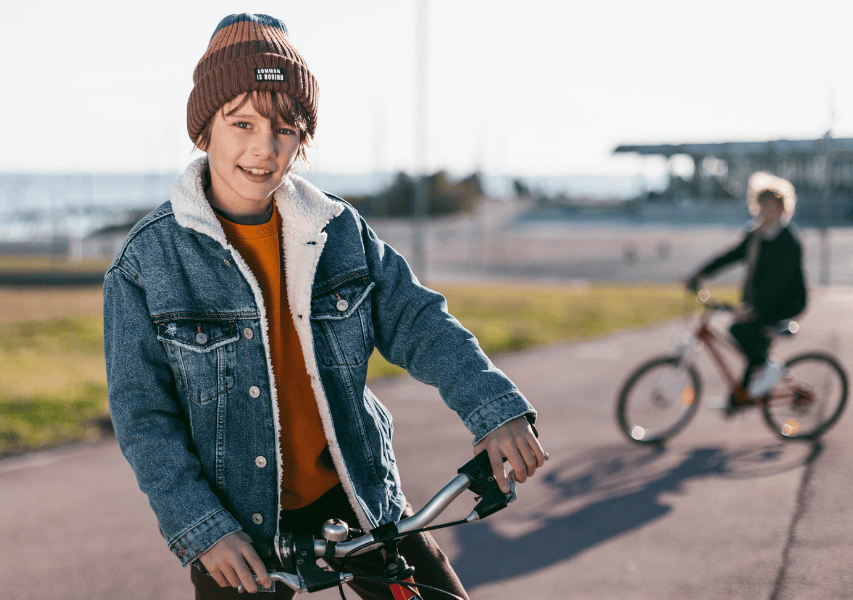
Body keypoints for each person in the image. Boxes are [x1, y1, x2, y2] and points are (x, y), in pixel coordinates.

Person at [103, 13, 545, 600]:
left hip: (357, 499)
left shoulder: (338, 231)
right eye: (242, 123)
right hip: (237, 528)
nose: (265, 149)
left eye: (286, 128)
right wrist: (203, 531)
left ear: (303, 138)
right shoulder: (145, 264)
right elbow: (144, 419)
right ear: (204, 130)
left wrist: (494, 409)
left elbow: (420, 322)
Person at [684, 171, 807, 413]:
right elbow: (729, 256)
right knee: (754, 345)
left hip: (784, 303)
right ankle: (738, 400)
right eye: (762, 207)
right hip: (759, 301)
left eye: (771, 207)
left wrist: (752, 310)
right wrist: (700, 274)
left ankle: (769, 369)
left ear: (782, 209)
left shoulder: (788, 240)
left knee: (739, 330)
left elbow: (779, 284)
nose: (765, 212)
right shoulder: (755, 235)